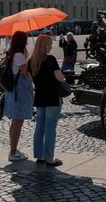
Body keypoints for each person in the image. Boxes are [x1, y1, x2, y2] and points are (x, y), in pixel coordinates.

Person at [28, 34, 65, 167]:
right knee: (50, 128)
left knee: (39, 127)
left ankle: (40, 156)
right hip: (52, 97)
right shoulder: (50, 59)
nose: (51, 46)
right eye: (49, 44)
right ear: (46, 45)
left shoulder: (31, 61)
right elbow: (60, 78)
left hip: (39, 97)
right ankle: (49, 159)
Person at [4, 31, 34, 162]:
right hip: (19, 92)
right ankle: (13, 152)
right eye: (26, 40)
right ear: (22, 42)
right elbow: (25, 73)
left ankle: (14, 148)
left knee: (14, 122)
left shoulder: (12, 54)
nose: (27, 41)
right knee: (18, 123)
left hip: (13, 92)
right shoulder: (19, 55)